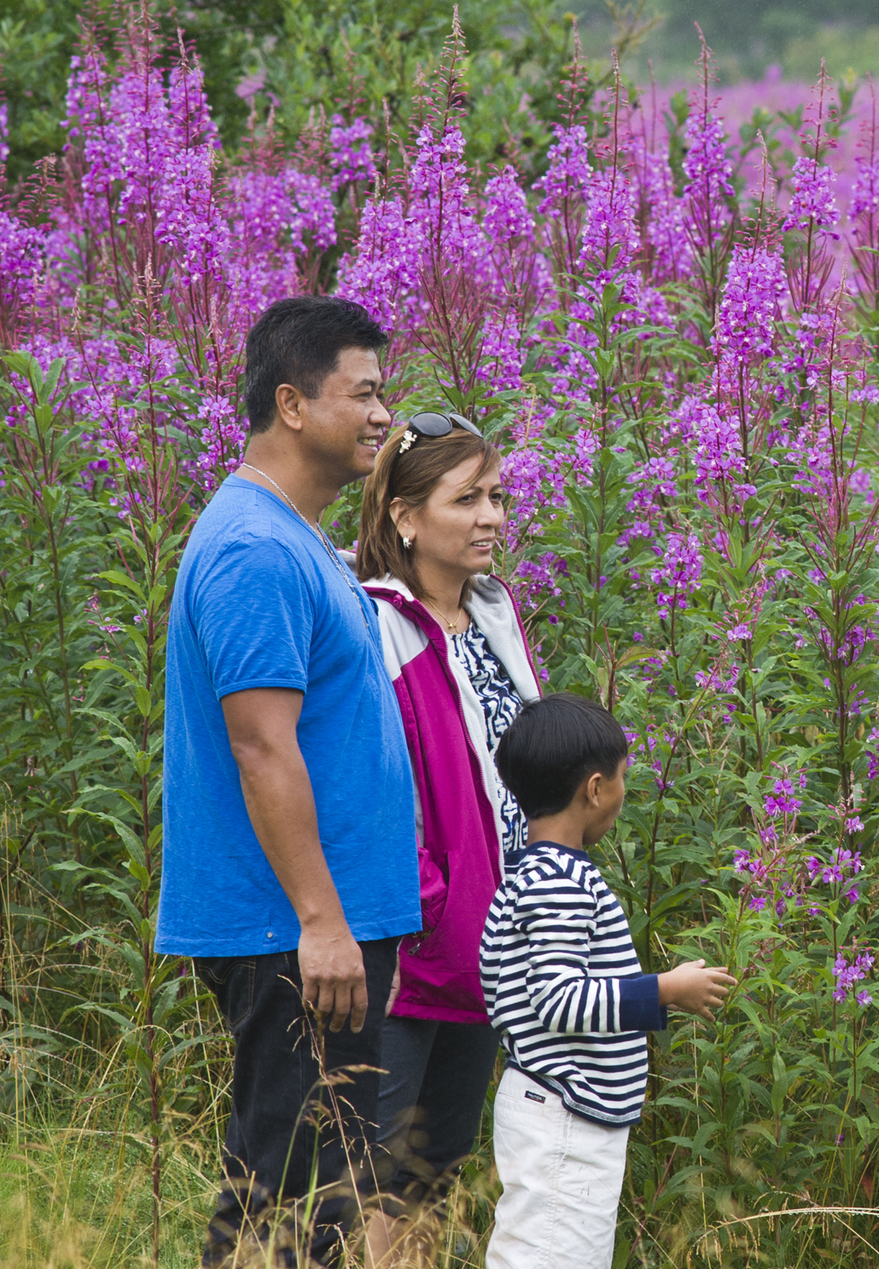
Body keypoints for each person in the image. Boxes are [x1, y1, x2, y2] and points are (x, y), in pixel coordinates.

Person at [159, 296, 419, 1268]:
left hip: (323, 923)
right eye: (364, 392)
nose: (383, 414)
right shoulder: (254, 549)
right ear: (292, 404)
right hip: (294, 930)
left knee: (318, 1198)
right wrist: (320, 920)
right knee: (285, 1197)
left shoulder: (297, 539)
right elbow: (261, 748)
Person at [354, 412, 542, 1260]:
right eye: (466, 498)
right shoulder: (373, 627)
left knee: (435, 1172)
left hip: (493, 946)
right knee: (368, 1178)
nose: (492, 516)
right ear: (403, 515)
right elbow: (369, 792)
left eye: (496, 495)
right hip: (412, 951)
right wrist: (430, 907)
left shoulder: (495, 620)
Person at [479, 695, 737, 1269]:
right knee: (546, 1255)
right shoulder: (559, 882)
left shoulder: (536, 871)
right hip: (563, 1114)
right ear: (595, 789)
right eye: (623, 779)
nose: (624, 793)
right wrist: (665, 990)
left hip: (566, 1111)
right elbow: (559, 999)